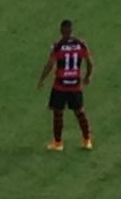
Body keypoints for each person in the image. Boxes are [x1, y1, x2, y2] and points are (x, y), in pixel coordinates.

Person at [36, 19, 94, 152]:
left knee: (58, 113)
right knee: (80, 112)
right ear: (71, 30)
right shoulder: (80, 45)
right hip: (75, 85)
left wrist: (42, 79)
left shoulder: (58, 46)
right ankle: (87, 140)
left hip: (60, 85)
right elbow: (90, 62)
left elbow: (50, 65)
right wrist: (87, 76)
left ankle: (58, 143)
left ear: (61, 31)